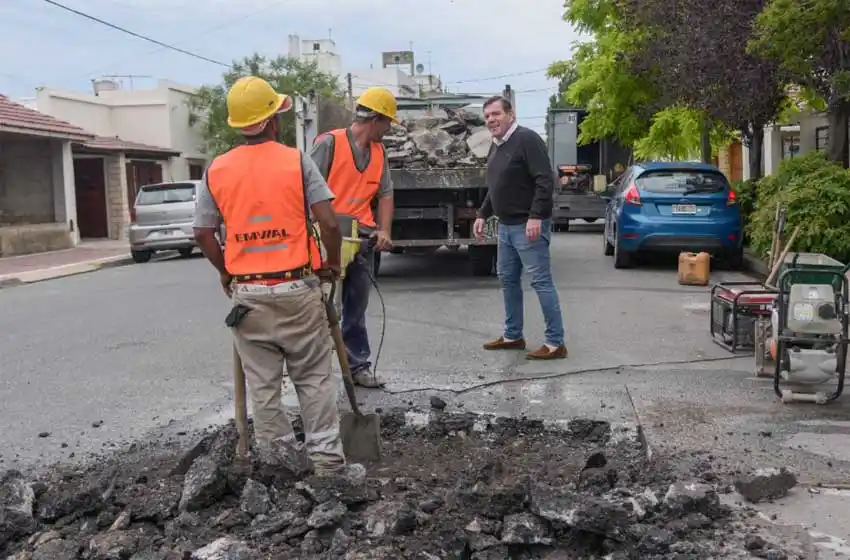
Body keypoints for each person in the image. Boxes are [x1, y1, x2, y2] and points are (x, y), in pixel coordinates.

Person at [193, 75, 351, 476]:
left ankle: (279, 467)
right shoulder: (296, 161)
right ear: (271, 121)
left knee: (263, 386)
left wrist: (226, 271)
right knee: (314, 378)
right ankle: (328, 466)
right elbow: (329, 223)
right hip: (298, 287)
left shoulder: (217, 169)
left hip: (249, 294)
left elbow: (203, 233)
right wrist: (332, 265)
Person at [309, 86, 396, 388]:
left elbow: (385, 194)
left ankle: (357, 366)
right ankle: (315, 373)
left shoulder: (378, 152)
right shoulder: (328, 144)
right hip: (328, 239)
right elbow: (305, 191)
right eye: (388, 123)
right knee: (319, 307)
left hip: (363, 240)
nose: (388, 130)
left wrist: (384, 230)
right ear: (376, 119)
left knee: (355, 308)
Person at [473, 95, 567, 360]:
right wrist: (483, 214)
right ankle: (513, 336)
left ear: (510, 114)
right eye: (487, 116)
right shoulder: (497, 145)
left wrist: (536, 216)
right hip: (505, 227)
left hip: (528, 227)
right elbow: (496, 185)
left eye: (496, 114)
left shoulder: (526, 139)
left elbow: (544, 180)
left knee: (541, 282)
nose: (491, 119)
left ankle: (555, 343)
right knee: (509, 281)